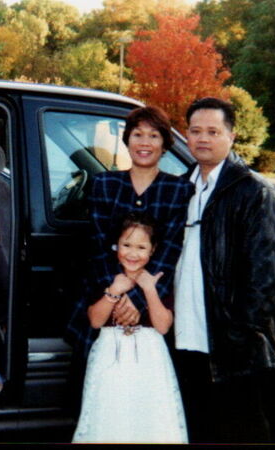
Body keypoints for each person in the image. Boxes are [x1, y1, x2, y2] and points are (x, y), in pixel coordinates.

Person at [172, 97, 275, 443]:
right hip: (184, 338)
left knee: (242, 430)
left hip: (232, 348)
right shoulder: (180, 188)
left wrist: (239, 333)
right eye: (195, 131)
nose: (202, 139)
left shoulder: (253, 192)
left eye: (213, 131)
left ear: (232, 136)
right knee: (197, 429)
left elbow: (265, 276)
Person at [65, 105, 194, 414]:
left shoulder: (178, 190)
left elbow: (170, 252)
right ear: (127, 140)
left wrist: (137, 302)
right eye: (137, 135)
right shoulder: (104, 184)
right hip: (105, 297)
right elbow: (98, 246)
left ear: (165, 143)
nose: (144, 143)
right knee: (100, 401)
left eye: (153, 135)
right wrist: (119, 294)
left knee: (145, 404)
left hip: (153, 307)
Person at [72, 212, 188, 443]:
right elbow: (95, 320)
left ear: (153, 250)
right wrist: (114, 291)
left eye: (141, 247)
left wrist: (149, 289)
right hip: (110, 354)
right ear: (116, 246)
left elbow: (163, 326)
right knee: (109, 409)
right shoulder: (105, 275)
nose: (133, 254)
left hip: (150, 356)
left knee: (150, 413)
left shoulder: (159, 279)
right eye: (126, 245)